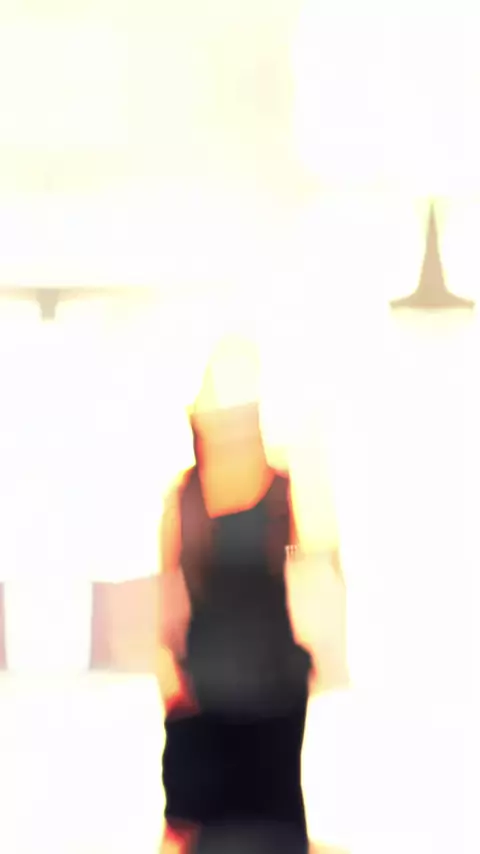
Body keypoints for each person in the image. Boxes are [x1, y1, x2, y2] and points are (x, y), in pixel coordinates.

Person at [158, 336, 313, 853]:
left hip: (262, 698)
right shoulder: (189, 496)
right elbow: (178, 592)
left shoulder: (277, 491)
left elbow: (296, 567)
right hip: (222, 700)